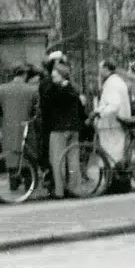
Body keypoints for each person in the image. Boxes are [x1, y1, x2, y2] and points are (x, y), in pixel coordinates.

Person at [40, 59, 86, 198]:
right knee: (73, 160)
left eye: (55, 76)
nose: (53, 78)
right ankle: (75, 189)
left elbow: (47, 106)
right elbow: (80, 108)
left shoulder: (56, 90)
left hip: (59, 129)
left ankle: (59, 191)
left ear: (61, 75)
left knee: (57, 160)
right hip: (73, 128)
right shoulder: (74, 89)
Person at [0, 66, 38, 164]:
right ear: (25, 74)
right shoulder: (32, 90)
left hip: (8, 128)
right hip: (26, 128)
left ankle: (13, 176)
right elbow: (36, 110)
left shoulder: (0, 89)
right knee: (28, 158)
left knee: (11, 159)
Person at [94, 59, 133, 165]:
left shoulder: (112, 84)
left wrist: (99, 113)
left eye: (100, 68)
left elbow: (113, 105)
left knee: (112, 156)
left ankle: (114, 180)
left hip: (112, 125)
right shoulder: (116, 81)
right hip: (114, 124)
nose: (99, 71)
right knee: (115, 155)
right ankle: (116, 178)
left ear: (106, 69)